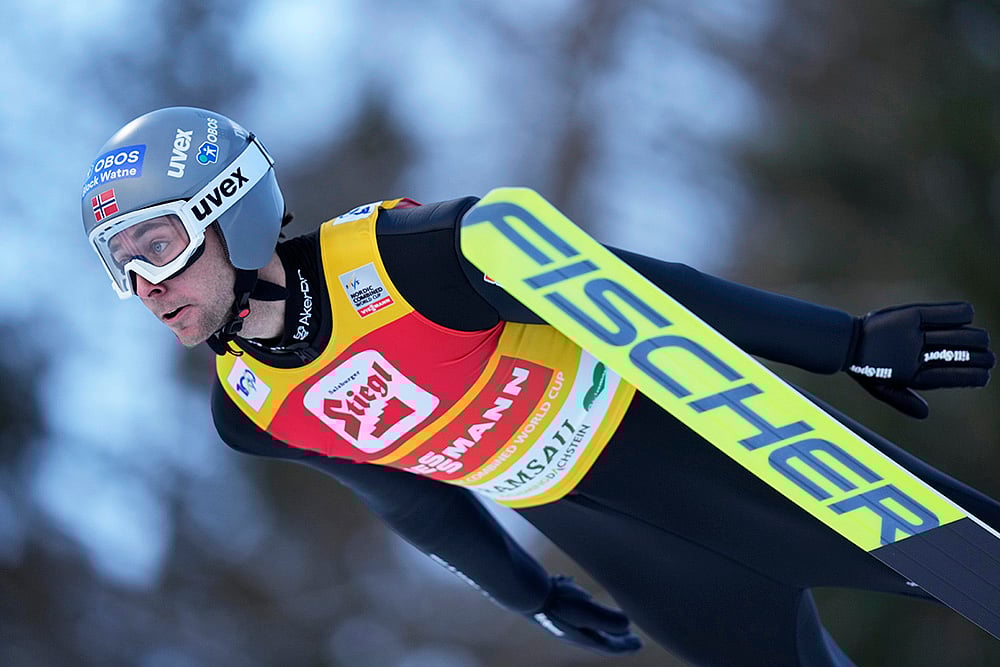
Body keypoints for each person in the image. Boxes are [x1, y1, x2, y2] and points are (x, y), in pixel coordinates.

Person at [81, 106, 996, 666]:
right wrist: (529, 593)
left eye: (158, 244)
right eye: (121, 265)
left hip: (721, 456)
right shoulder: (250, 410)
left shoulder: (411, 258)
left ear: (231, 209)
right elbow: (410, 497)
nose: (145, 285)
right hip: (637, 556)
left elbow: (648, 292)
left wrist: (845, 342)